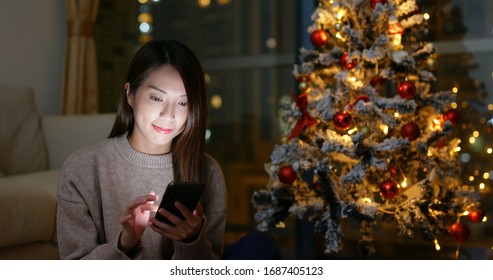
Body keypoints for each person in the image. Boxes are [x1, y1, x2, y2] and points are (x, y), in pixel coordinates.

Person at [56, 40, 227, 259]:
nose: (169, 115)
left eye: (183, 103)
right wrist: (125, 243)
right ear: (130, 95)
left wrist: (191, 240)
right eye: (157, 98)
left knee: (258, 246)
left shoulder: (207, 170)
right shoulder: (82, 168)